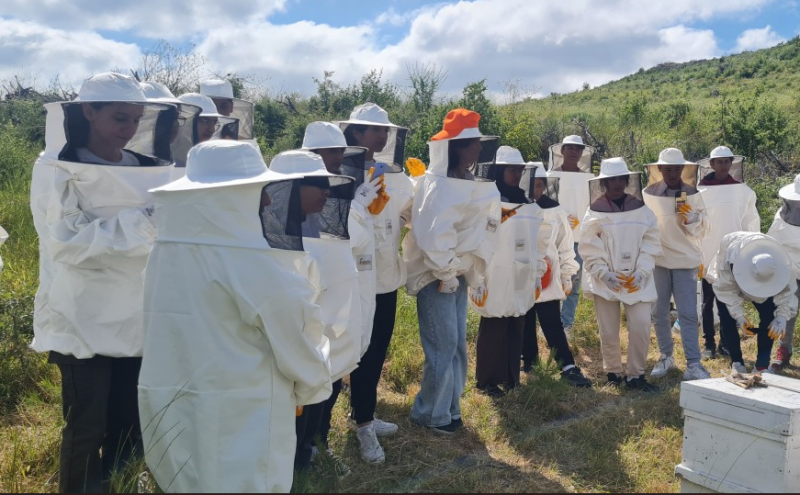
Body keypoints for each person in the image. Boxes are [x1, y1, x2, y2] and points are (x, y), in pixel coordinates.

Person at [138, 141, 332, 493]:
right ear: (234, 195)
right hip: (246, 411)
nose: (270, 200)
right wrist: (311, 384)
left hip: (177, 401)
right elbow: (297, 334)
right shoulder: (254, 261)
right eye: (261, 192)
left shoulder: (164, 250)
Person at [29, 72, 177, 492]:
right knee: (86, 427)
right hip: (82, 318)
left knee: (129, 424)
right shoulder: (54, 167)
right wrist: (146, 220)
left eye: (135, 120)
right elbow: (68, 243)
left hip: (136, 317)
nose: (128, 130)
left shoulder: (146, 169)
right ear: (87, 112)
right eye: (118, 118)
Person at [403, 108, 502, 433]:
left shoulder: (465, 178)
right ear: (456, 147)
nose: (477, 149)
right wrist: (445, 273)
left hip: (456, 274)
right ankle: (430, 413)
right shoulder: (438, 184)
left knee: (456, 342)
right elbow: (432, 234)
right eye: (471, 143)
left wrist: (462, 272)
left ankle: (450, 408)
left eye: (476, 142)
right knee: (442, 345)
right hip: (437, 277)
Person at [269, 148, 365, 468]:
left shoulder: (321, 229)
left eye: (328, 184)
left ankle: (310, 453)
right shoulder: (266, 235)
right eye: (317, 184)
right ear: (291, 187)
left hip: (318, 349)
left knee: (312, 415)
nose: (327, 191)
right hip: (285, 358)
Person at [339, 104, 414, 460]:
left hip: (385, 275)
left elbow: (409, 211)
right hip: (352, 277)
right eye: (374, 130)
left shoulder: (395, 175)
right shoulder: (340, 169)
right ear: (355, 133)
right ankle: (357, 425)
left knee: (377, 349)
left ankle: (364, 417)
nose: (383, 136)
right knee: (353, 348)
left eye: (385, 131)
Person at [580, 157, 661, 391]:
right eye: (612, 179)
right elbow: (588, 246)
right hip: (606, 281)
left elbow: (651, 241)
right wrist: (603, 273)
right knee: (608, 329)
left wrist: (642, 271)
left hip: (638, 280)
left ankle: (636, 375)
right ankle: (613, 372)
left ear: (628, 180)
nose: (617, 183)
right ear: (604, 183)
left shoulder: (643, 210)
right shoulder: (593, 212)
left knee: (641, 325)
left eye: (621, 179)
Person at [471, 146, 546, 397]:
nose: (516, 174)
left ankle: (512, 379)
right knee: (494, 325)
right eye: (511, 169)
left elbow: (537, 244)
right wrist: (477, 279)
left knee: (517, 324)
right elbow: (477, 241)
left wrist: (537, 274)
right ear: (498, 171)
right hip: (493, 273)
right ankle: (487, 381)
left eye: (519, 170)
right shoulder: (487, 202)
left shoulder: (530, 205)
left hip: (522, 274)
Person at [643, 148, 712, 381]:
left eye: (676, 168)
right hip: (658, 260)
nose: (672, 172)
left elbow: (704, 228)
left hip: (685, 260)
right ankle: (666, 357)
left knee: (688, 313)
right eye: (668, 168)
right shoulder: (649, 194)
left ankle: (693, 364)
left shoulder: (693, 193)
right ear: (659, 169)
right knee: (659, 311)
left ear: (683, 169)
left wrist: (693, 218)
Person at [521, 164, 591, 387]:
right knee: (525, 319)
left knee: (551, 321)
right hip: (522, 273)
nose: (536, 190)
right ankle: (530, 362)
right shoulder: (515, 206)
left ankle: (567, 366)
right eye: (532, 185)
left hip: (548, 277)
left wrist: (567, 274)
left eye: (540, 185)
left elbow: (564, 245)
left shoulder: (555, 210)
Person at [697, 146, 760, 359]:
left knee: (731, 300)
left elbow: (751, 223)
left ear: (732, 163)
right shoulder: (700, 192)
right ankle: (708, 344)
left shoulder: (744, 191)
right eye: (719, 162)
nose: (723, 165)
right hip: (707, 252)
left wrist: (750, 252)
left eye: (727, 161)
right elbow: (695, 225)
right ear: (711, 164)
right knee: (707, 302)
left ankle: (726, 341)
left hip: (733, 255)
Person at [706, 231, 798, 373]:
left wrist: (782, 317)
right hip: (728, 280)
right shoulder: (729, 253)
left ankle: (762, 365)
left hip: (766, 278)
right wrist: (739, 316)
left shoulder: (780, 260)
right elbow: (726, 290)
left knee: (770, 316)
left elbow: (788, 292)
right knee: (726, 316)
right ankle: (736, 362)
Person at [547, 135, 596, 335]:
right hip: (552, 237)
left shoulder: (588, 178)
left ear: (582, 152)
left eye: (578, 149)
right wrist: (561, 218)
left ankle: (566, 324)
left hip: (578, 238)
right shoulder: (551, 175)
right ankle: (550, 324)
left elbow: (592, 206)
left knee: (573, 283)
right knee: (550, 280)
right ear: (562, 150)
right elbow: (545, 203)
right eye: (570, 148)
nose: (574, 152)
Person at [766, 175, 800, 370]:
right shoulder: (782, 217)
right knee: (787, 313)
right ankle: (783, 352)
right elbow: (772, 243)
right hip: (791, 273)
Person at [171, 93, 239, 175]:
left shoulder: (213, 158)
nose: (212, 129)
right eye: (205, 120)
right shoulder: (166, 160)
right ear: (184, 118)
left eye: (214, 122)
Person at [199, 78, 256, 145]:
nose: (217, 112)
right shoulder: (189, 137)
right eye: (211, 106)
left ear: (231, 107)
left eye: (223, 107)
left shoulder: (245, 144)